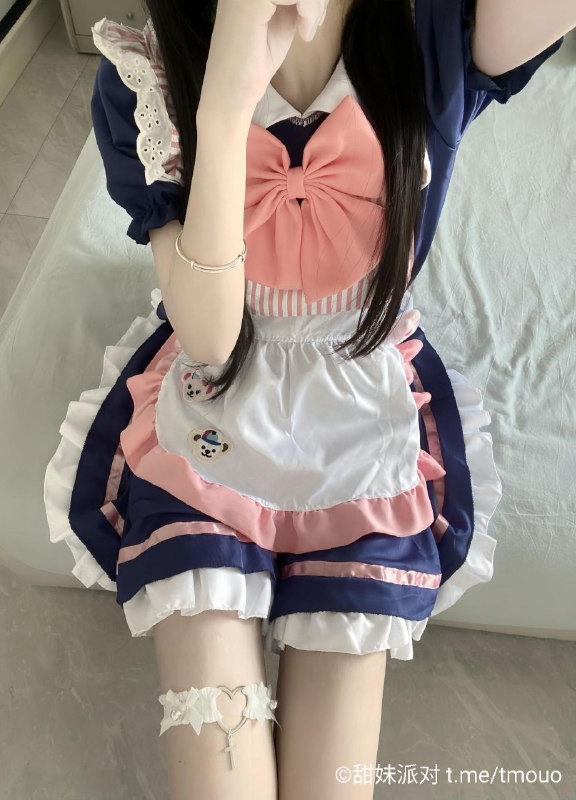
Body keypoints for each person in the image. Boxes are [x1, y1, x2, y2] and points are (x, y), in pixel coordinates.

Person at [43, 0, 570, 797]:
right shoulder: (144, 78)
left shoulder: (434, 32)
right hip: (216, 405)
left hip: (360, 414)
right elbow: (212, 339)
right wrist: (224, 106)